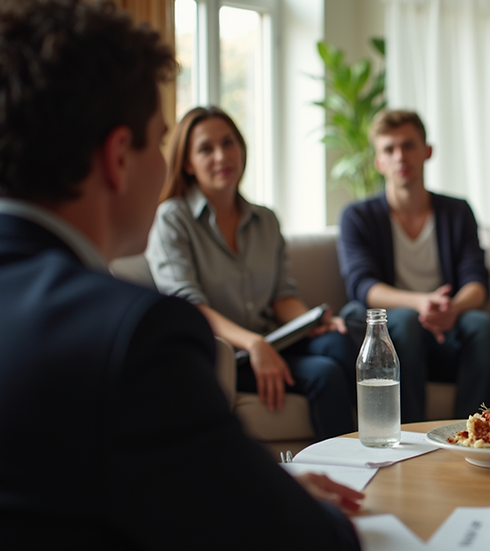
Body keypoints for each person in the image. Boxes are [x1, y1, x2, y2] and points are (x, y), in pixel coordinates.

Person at [0, 1, 362, 547]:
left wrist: (268, 482)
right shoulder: (134, 337)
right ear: (119, 156)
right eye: (163, 139)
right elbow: (310, 540)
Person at [146, 106, 357, 440]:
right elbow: (190, 306)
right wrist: (253, 343)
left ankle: (402, 448)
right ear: (187, 163)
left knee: (343, 343)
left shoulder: (265, 219)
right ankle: (349, 476)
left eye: (229, 143)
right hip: (228, 354)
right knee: (325, 375)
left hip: (274, 341)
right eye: (206, 149)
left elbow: (282, 296)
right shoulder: (173, 219)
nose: (222, 156)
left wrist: (313, 322)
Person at [338, 109, 490, 422]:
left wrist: (452, 308)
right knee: (406, 322)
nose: (400, 156)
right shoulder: (357, 216)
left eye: (409, 146)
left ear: (427, 151)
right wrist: (420, 302)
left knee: (483, 327)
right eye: (389, 149)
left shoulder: (457, 211)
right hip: (393, 328)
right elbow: (362, 286)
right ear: (379, 161)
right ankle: (408, 437)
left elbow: (478, 281)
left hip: (445, 324)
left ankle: (475, 434)